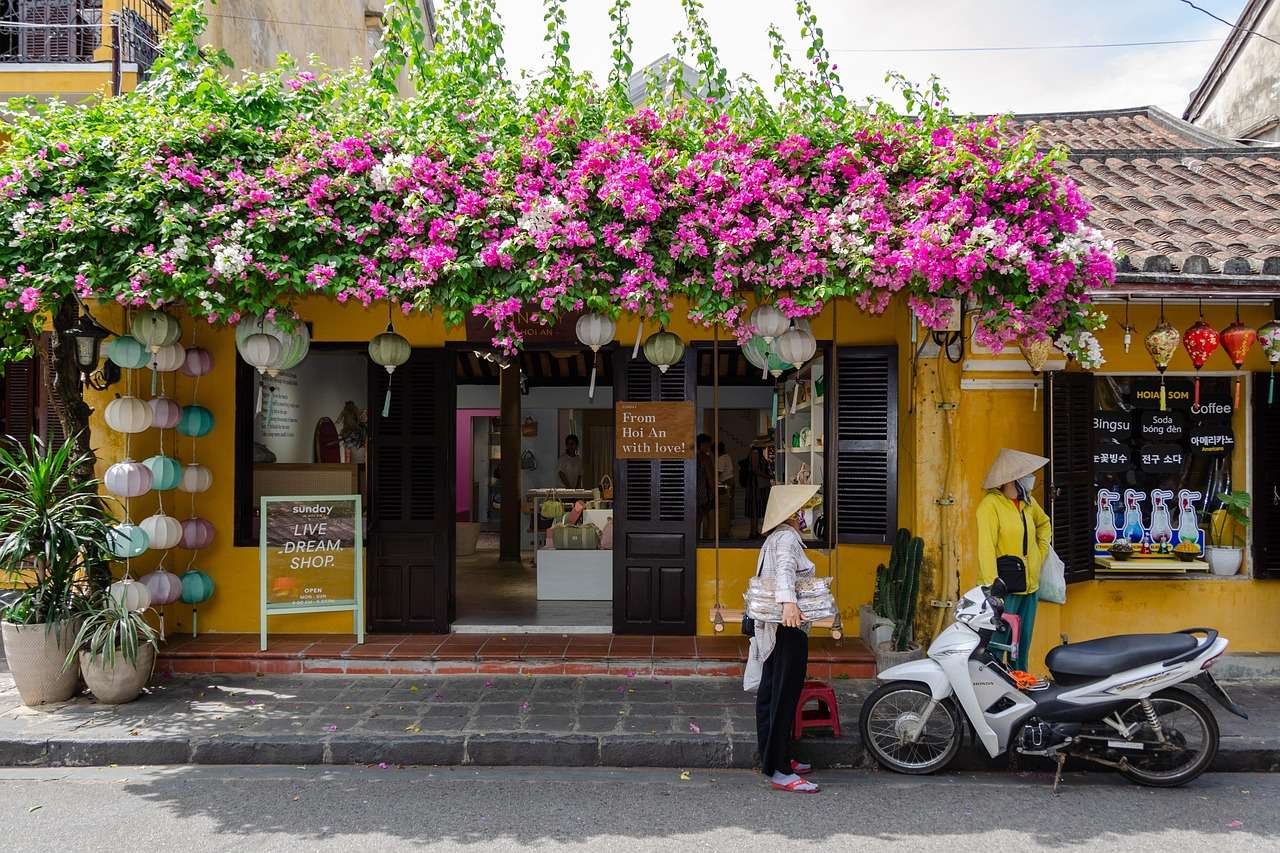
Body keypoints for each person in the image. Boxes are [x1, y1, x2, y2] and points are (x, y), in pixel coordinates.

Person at [745, 483, 822, 794]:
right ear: (793, 513)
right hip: (787, 625)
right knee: (783, 695)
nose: (806, 513)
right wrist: (790, 603)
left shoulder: (774, 538)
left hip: (773, 625)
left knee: (770, 691)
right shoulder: (788, 538)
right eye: (802, 508)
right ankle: (780, 769)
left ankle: (775, 757)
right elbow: (786, 573)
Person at [977, 448, 1052, 672]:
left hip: (1030, 587)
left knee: (1022, 644)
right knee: (999, 644)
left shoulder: (1028, 503)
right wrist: (993, 588)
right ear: (1011, 480)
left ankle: (1022, 685)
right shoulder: (990, 505)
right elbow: (986, 547)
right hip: (1005, 589)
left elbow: (1044, 523)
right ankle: (997, 688)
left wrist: (1039, 552)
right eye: (1024, 475)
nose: (1029, 479)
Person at [746, 438, 775, 539]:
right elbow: (755, 469)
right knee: (755, 507)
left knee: (756, 508)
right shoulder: (755, 453)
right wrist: (767, 476)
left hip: (757, 484)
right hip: (756, 485)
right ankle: (753, 532)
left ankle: (754, 531)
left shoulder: (757, 452)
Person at [695, 433, 716, 539]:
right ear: (703, 444)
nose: (709, 446)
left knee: (697, 519)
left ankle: (697, 538)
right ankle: (709, 540)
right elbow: (710, 477)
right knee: (710, 517)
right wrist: (714, 491)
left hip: (694, 492)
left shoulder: (693, 457)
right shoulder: (705, 458)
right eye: (708, 444)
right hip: (705, 492)